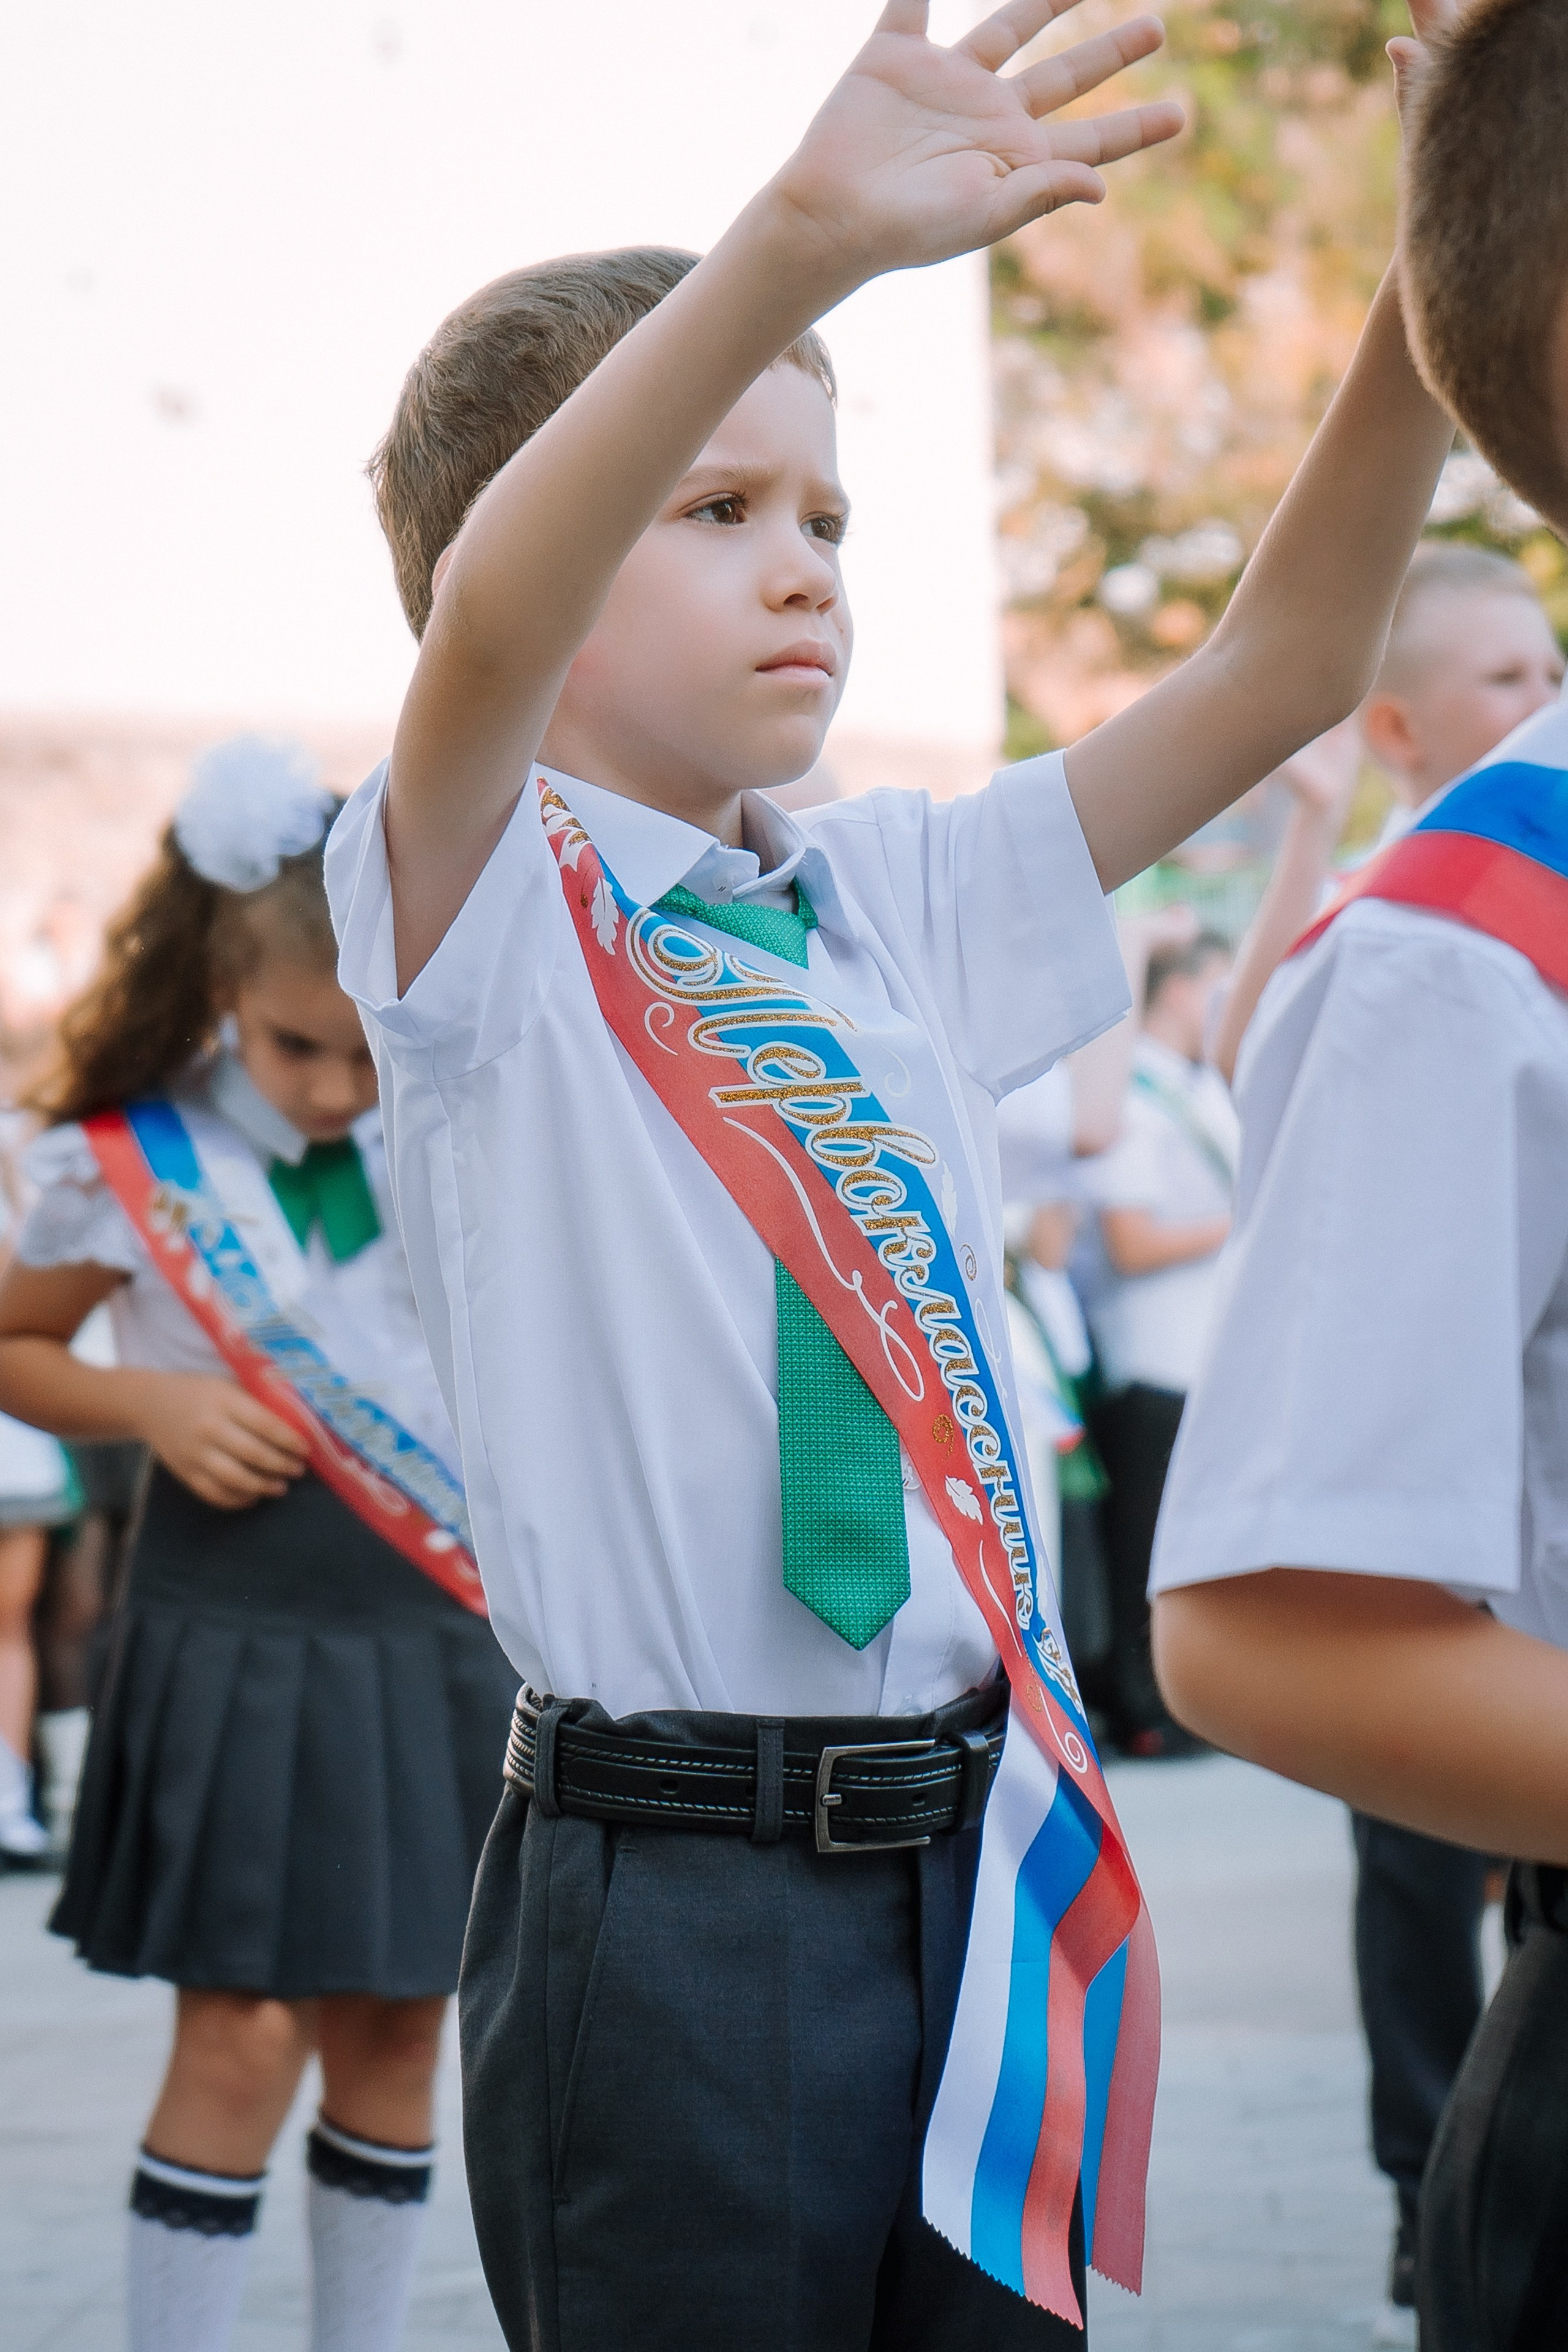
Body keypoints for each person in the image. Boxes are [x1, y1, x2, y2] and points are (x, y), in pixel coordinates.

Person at [324, 4, 1455, 2343]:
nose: (805, 568)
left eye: (829, 514)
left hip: (975, 1853)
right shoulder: (479, 903)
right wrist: (795, 251)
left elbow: (1289, 660)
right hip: (666, 1901)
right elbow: (493, 629)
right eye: (716, 508)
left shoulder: (898, 899)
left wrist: (1461, 244)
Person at [0, 739, 516, 2352]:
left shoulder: (447, 1123)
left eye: (363, 1052)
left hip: (440, 1619)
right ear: (222, 974)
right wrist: (146, 1407)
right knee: (233, 2032)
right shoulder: (118, 1158)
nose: (335, 1090)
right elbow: (15, 1346)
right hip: (234, 1620)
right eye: (300, 1048)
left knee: (399, 2034)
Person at [1081, 933, 1234, 1759]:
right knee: (1144, 1546)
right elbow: (1131, 1242)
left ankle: (1190, 1703)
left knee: (1190, 1544)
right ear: (1178, 992)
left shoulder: (1198, 1086)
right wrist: (1242, 1224)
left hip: (1202, 1354)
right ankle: (1147, 1709)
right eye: (1218, 983)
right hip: (1149, 1354)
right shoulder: (1133, 1093)